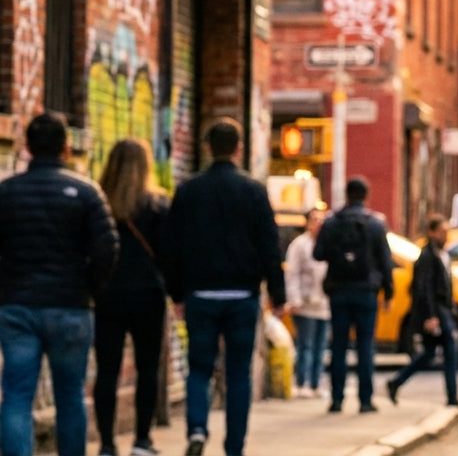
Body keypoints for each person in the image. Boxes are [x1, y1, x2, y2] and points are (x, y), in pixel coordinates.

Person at [162, 118, 286, 456]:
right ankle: (234, 446)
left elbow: (171, 246)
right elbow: (269, 246)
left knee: (199, 368)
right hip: (242, 296)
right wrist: (278, 295)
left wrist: (177, 293)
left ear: (206, 148)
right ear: (238, 149)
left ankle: (197, 429)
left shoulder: (188, 191)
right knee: (238, 374)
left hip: (200, 294)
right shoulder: (253, 191)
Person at [0, 112, 119, 456]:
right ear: (66, 147)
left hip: (17, 307)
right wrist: (91, 289)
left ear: (27, 147)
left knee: (16, 395)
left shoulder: (7, 192)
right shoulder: (86, 193)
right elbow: (107, 248)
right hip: (70, 307)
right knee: (70, 395)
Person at [93, 138, 170, 456]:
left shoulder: (98, 202)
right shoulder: (157, 205)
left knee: (106, 370)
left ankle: (106, 443)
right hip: (148, 296)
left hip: (107, 295)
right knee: (148, 369)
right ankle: (142, 440)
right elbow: (167, 254)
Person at [313, 176, 393, 414]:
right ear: (366, 195)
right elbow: (385, 261)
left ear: (346, 195)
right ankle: (365, 400)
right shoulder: (375, 224)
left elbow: (318, 254)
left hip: (338, 291)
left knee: (338, 346)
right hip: (366, 292)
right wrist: (388, 292)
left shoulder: (331, 223)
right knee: (365, 347)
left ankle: (336, 399)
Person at [384, 215, 458, 411]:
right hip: (436, 312)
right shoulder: (426, 256)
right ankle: (452, 398)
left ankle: (396, 382)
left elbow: (445, 283)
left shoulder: (442, 254)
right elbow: (423, 288)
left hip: (444, 309)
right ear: (431, 232)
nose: (445, 236)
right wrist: (430, 316)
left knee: (429, 354)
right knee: (450, 352)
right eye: (442, 232)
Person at [285, 207, 330, 399]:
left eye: (322, 220)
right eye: (315, 220)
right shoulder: (299, 245)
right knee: (306, 345)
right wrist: (293, 299)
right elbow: (292, 274)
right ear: (308, 223)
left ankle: (316, 384)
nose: (318, 223)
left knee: (321, 347)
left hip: (324, 303)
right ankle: (302, 382)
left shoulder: (328, 243)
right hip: (304, 303)